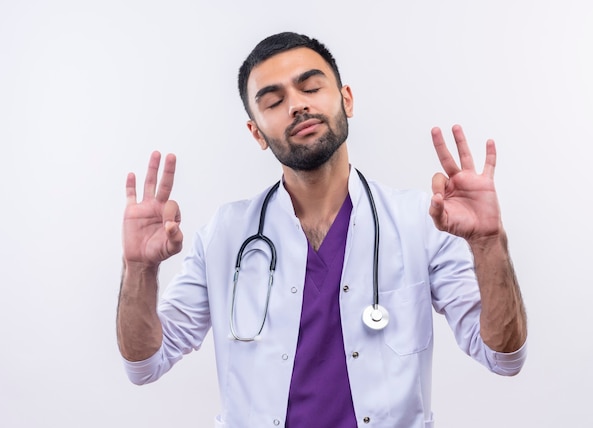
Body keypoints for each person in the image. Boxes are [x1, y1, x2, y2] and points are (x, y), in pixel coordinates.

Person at [117, 32, 527, 428]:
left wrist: (489, 245)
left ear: (346, 99)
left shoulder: (418, 222)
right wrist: (138, 269)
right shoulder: (226, 235)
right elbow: (144, 364)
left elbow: (504, 357)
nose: (296, 106)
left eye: (311, 88)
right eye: (274, 101)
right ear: (256, 132)